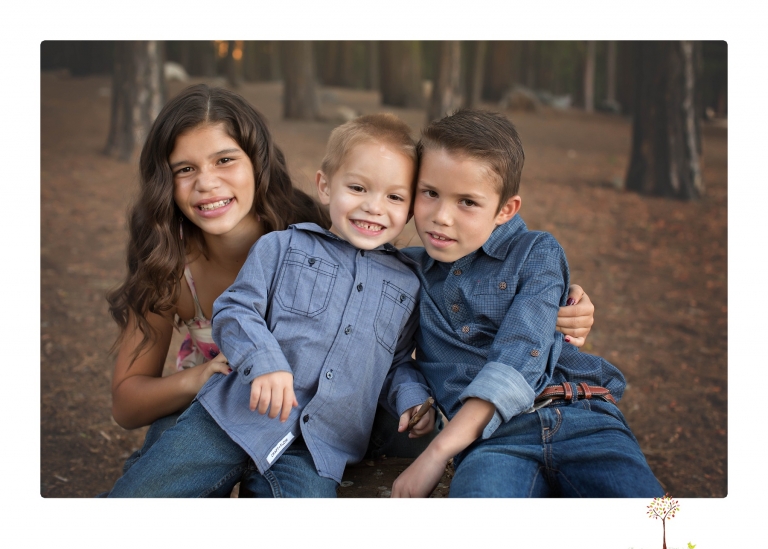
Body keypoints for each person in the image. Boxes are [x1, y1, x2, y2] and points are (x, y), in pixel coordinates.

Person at [104, 84, 596, 489]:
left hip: (320, 443)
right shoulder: (269, 249)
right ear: (327, 186)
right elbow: (223, 320)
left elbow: (411, 349)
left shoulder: (384, 260)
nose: (208, 184)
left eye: (225, 160)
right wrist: (222, 372)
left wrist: (559, 302)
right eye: (185, 169)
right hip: (227, 410)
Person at [107, 113, 437, 497]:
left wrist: (413, 399)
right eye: (358, 188)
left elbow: (395, 363)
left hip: (315, 449)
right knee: (143, 495)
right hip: (231, 417)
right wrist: (264, 361)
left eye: (394, 196)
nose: (374, 207)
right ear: (325, 187)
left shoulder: (407, 284)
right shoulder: (282, 247)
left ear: (411, 207)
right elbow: (235, 309)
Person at [391, 109, 664, 498]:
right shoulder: (405, 271)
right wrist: (413, 395)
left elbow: (521, 352)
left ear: (506, 210)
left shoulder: (536, 252)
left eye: (467, 201)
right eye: (430, 193)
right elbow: (394, 356)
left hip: (580, 417)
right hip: (494, 441)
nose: (441, 217)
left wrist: (437, 452)